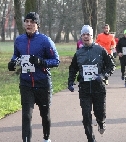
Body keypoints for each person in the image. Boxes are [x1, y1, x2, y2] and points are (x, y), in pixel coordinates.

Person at [8, 12, 60, 142]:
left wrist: (42, 62)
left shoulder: (45, 40)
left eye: (32, 22)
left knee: (45, 114)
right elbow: (16, 56)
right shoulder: (19, 40)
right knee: (26, 115)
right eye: (27, 21)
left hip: (42, 82)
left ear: (37, 24)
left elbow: (56, 61)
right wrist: (12, 63)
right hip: (26, 83)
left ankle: (46, 138)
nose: (29, 24)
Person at [68, 25, 116, 142]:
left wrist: (103, 76)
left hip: (98, 88)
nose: (85, 36)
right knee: (86, 116)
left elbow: (111, 66)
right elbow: (73, 68)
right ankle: (91, 139)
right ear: (81, 37)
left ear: (91, 36)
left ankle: (101, 122)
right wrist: (70, 81)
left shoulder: (100, 50)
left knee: (99, 113)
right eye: (83, 34)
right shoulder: (79, 53)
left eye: (88, 34)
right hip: (84, 88)